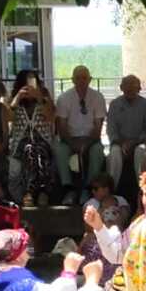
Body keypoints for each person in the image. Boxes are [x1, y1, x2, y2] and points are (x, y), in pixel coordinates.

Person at [53, 65, 107, 200]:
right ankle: (68, 189)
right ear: (72, 80)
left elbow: (98, 127)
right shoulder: (64, 98)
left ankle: (88, 189)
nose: (81, 81)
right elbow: (62, 127)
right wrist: (73, 144)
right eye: (78, 78)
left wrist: (86, 144)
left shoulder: (98, 97)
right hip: (69, 139)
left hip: (91, 139)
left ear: (90, 79)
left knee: (98, 151)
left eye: (84, 78)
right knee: (60, 150)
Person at [7, 71, 59, 207]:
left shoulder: (44, 95)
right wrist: (17, 98)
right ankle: (33, 193)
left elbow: (50, 116)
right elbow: (8, 117)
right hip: (20, 141)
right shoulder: (14, 97)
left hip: (42, 139)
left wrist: (40, 98)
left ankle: (36, 192)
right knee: (29, 150)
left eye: (33, 81)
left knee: (37, 150)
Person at [103, 74, 146, 187]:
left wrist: (134, 143)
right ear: (121, 88)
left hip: (140, 143)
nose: (130, 88)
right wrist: (122, 144)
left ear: (139, 88)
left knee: (141, 151)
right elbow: (111, 130)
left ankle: (143, 189)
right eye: (127, 85)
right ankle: (111, 189)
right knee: (114, 152)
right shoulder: (114, 104)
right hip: (119, 143)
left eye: (133, 86)